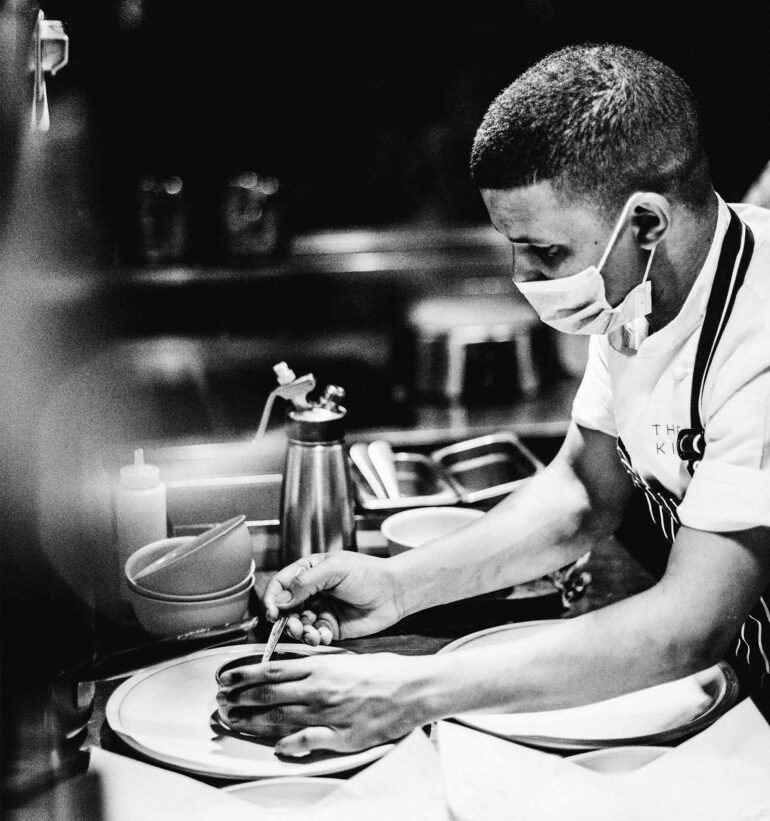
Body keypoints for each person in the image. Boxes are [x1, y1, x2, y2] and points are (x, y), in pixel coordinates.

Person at [217, 43, 770, 756]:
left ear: (646, 224)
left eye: (545, 253)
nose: (521, 276)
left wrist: (408, 692)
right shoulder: (638, 290)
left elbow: (687, 627)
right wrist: (397, 585)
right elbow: (581, 490)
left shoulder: (758, 341)